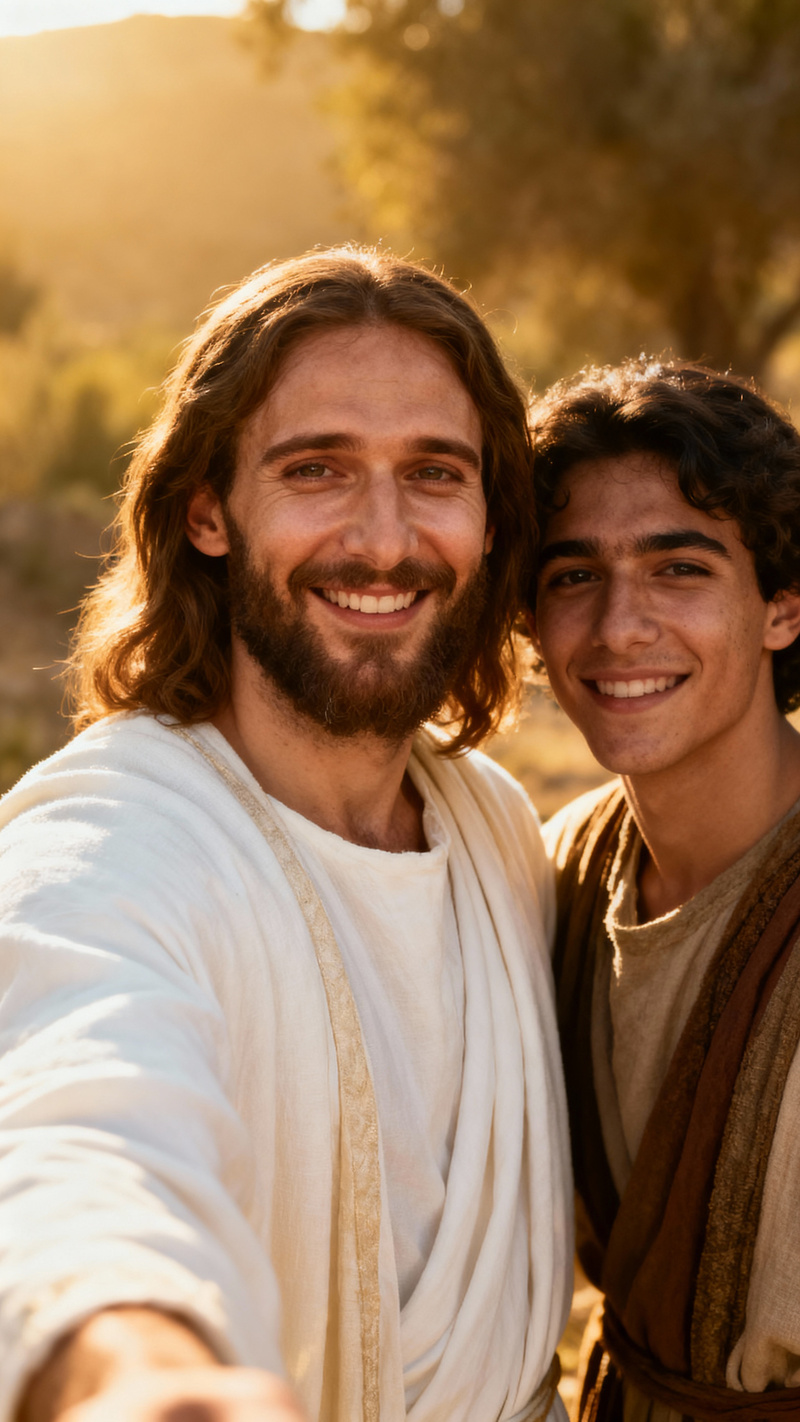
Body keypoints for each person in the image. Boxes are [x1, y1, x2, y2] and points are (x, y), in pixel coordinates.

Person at [0, 247, 573, 1422]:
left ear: (488, 517)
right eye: (316, 470)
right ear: (208, 510)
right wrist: (133, 1367)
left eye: (433, 473)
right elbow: (77, 1123)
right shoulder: (116, 837)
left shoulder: (499, 839)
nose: (381, 538)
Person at [528, 359, 800, 1422]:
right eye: (571, 576)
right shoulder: (551, 878)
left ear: (780, 607)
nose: (617, 628)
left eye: (677, 570)